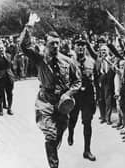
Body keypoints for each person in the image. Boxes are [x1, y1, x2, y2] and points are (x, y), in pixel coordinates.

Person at [20, 13, 81, 168]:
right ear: (46, 44)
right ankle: (54, 165)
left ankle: (55, 145)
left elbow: (77, 81)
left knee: (59, 132)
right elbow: (24, 47)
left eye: (57, 43)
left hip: (63, 104)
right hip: (45, 101)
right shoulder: (40, 59)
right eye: (52, 43)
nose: (55, 46)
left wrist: (68, 93)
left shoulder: (68, 61)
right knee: (50, 135)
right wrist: (29, 26)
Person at [67, 33, 97, 161]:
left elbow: (96, 79)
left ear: (86, 48)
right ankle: (70, 132)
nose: (81, 48)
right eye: (78, 45)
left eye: (83, 46)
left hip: (87, 96)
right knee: (72, 119)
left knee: (87, 123)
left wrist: (95, 98)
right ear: (74, 47)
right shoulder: (69, 62)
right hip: (75, 95)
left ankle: (87, 150)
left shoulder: (91, 62)